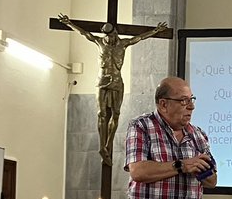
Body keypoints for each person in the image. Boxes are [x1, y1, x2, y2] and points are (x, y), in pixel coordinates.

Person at [53, 16, 170, 166]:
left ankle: (108, 144)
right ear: (106, 35)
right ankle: (102, 146)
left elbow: (139, 37)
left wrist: (155, 31)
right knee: (101, 114)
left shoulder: (123, 43)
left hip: (116, 81)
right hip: (102, 81)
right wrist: (69, 23)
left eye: (113, 34)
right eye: (109, 35)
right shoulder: (99, 42)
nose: (112, 37)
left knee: (116, 113)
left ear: (115, 32)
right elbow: (84, 33)